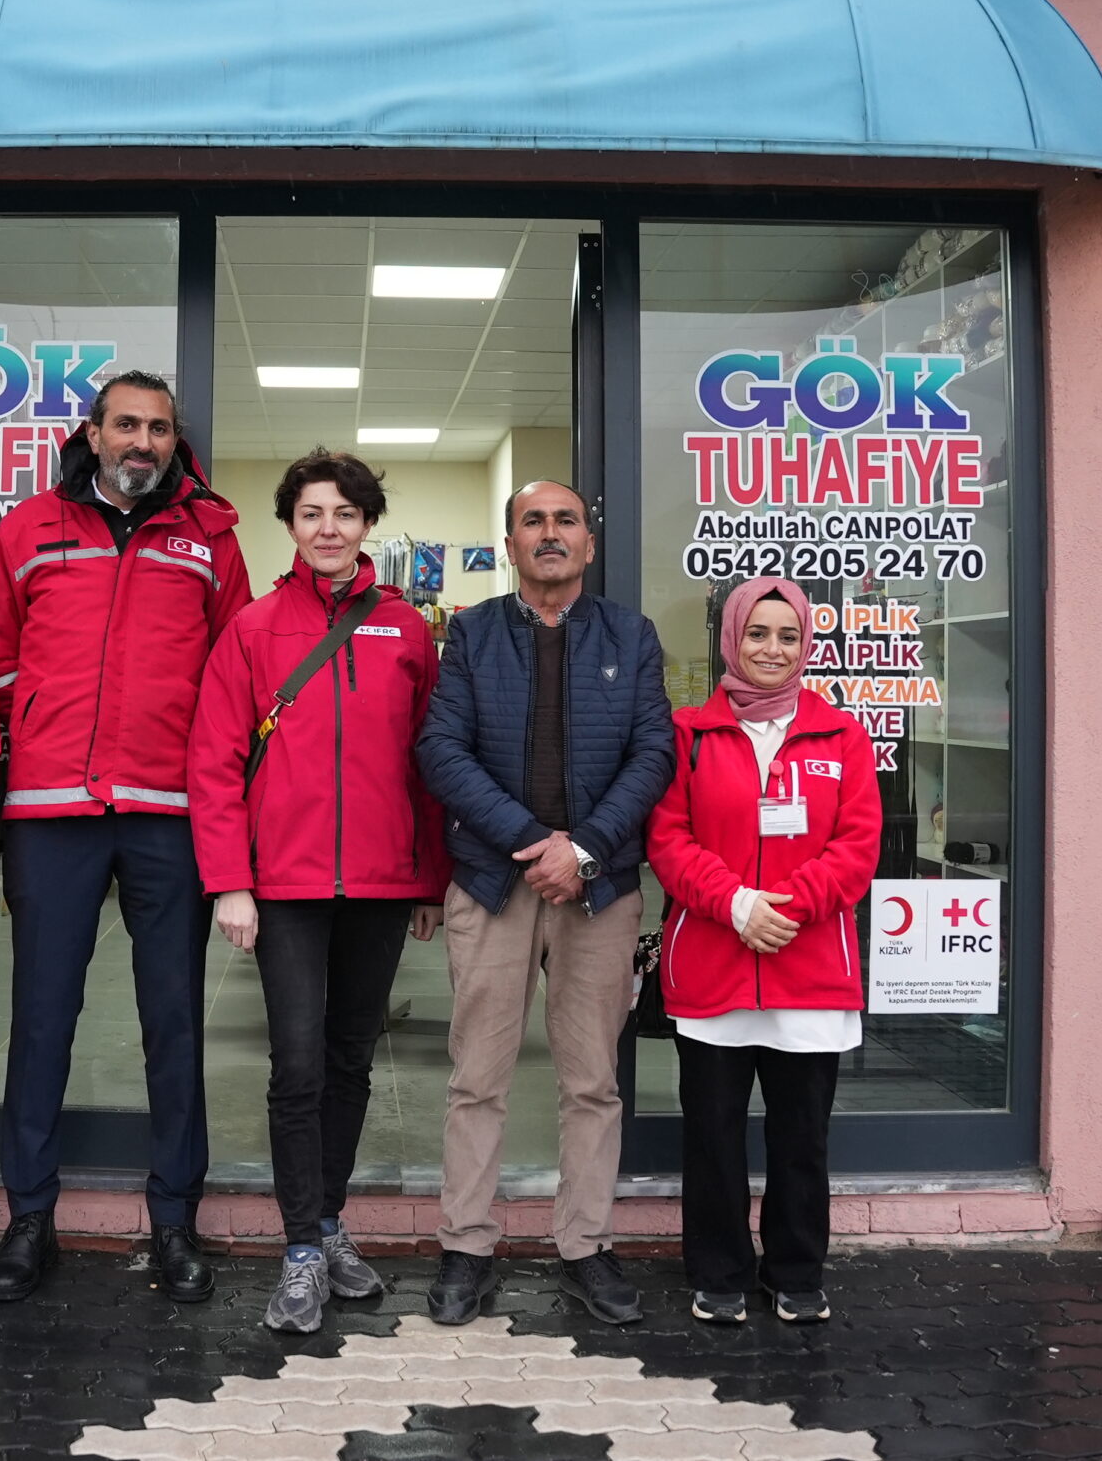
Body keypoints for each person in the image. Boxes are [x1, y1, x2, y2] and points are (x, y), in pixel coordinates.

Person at [0, 369, 251, 1302]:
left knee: (173, 1023)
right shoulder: (28, 530)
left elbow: (234, 682)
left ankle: (174, 1220)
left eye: (159, 429)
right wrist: (24, 758)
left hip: (169, 817)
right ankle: (28, 1217)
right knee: (41, 1020)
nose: (142, 441)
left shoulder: (212, 540)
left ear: (176, 442)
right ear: (91, 433)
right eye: (126, 424)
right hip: (52, 814)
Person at [189, 449, 450, 1334]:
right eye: (311, 514)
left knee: (348, 1062)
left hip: (381, 883)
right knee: (296, 1064)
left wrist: (429, 878)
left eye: (344, 513)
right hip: (286, 886)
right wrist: (230, 883)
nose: (328, 528)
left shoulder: (406, 630)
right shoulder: (255, 629)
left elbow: (429, 764)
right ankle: (301, 1248)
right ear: (291, 525)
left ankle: (332, 1225)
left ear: (366, 522)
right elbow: (214, 764)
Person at [412, 480, 677, 1326]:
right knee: (476, 1077)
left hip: (599, 889)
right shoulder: (473, 633)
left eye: (566, 521)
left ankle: (586, 1247)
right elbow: (441, 750)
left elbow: (655, 751)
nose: (552, 534)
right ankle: (466, 1247)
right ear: (512, 542)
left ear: (588, 545)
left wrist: (586, 849)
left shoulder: (630, 635)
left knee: (592, 1081)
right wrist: (535, 842)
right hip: (495, 881)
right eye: (534, 522)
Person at [647, 577, 879, 1325]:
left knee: (801, 1139)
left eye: (787, 636)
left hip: (809, 973)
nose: (772, 649)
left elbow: (857, 847)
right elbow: (668, 839)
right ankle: (718, 1270)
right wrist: (735, 903)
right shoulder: (688, 733)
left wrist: (789, 906)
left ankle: (796, 1271)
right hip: (714, 972)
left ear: (805, 644)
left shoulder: (842, 736)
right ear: (730, 639)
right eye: (757, 634)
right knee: (712, 1140)